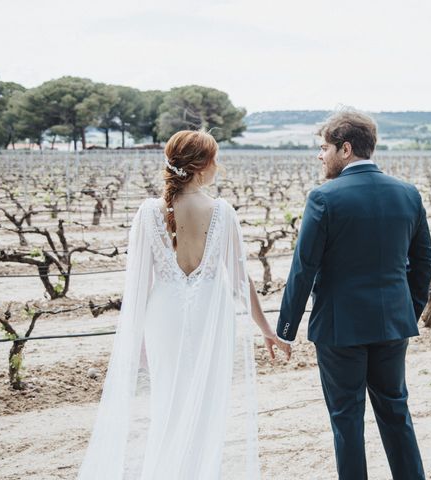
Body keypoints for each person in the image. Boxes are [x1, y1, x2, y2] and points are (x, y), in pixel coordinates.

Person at [77, 130, 283, 479]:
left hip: (163, 317)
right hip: (210, 317)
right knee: (206, 407)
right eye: (214, 158)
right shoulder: (222, 212)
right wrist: (266, 329)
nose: (219, 165)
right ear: (201, 166)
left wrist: (136, 337)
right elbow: (239, 279)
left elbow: (139, 286)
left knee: (167, 404)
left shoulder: (148, 213)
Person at [275, 110, 431, 480]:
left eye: (324, 148)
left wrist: (286, 330)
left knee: (346, 421)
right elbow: (424, 259)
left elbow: (304, 268)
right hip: (393, 325)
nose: (320, 156)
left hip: (339, 329)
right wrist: (406, 309)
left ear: (345, 149)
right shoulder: (408, 194)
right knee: (397, 414)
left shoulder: (323, 198)